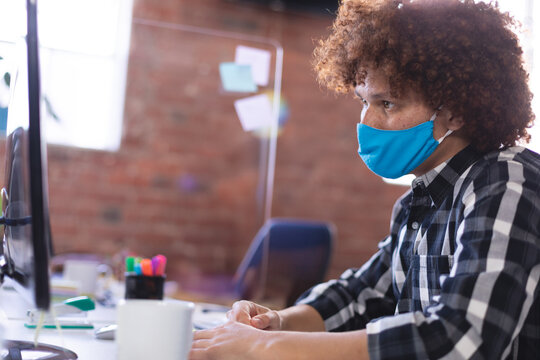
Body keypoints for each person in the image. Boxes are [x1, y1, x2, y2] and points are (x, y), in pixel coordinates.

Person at [189, 0, 540, 359]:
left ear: (456, 112)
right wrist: (275, 322)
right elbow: (365, 294)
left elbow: (461, 339)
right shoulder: (416, 203)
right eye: (363, 101)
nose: (366, 123)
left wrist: (266, 347)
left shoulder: (507, 180)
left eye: (388, 103)